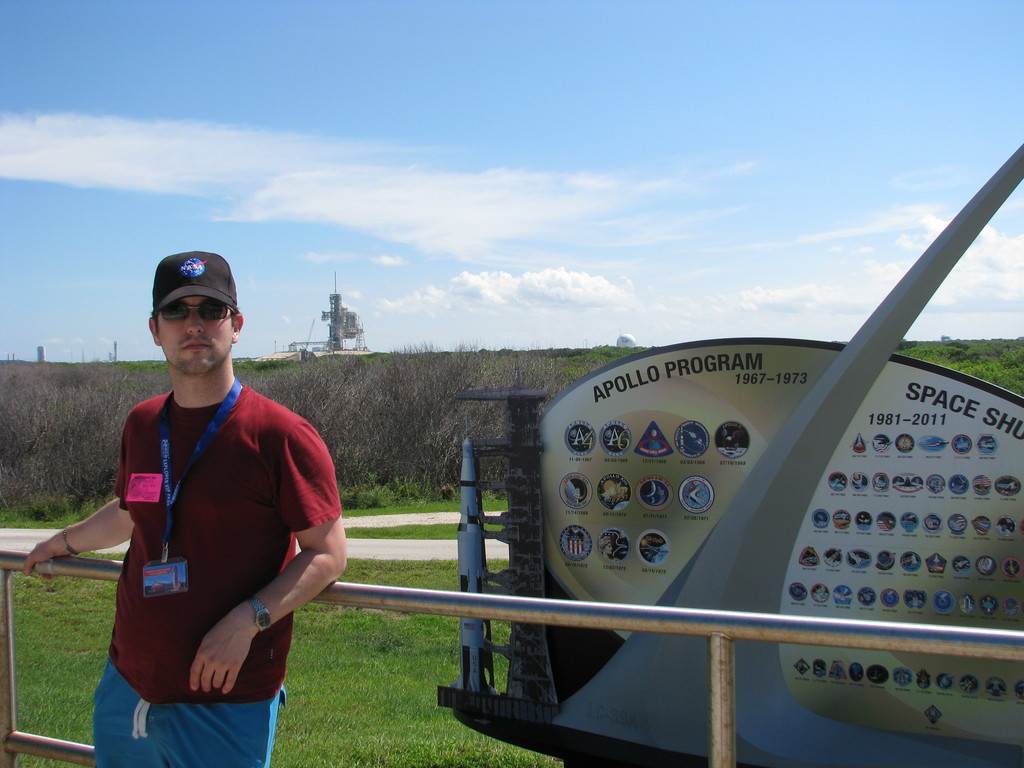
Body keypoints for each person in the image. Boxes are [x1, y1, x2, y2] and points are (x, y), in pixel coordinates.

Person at [23, 251, 347, 768]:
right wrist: (63, 542)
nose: (193, 324)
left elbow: (327, 555)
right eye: (176, 312)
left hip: (227, 700)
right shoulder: (144, 424)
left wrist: (248, 620)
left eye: (210, 310)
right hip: (128, 685)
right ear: (155, 329)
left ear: (235, 325)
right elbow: (134, 508)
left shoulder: (281, 435)